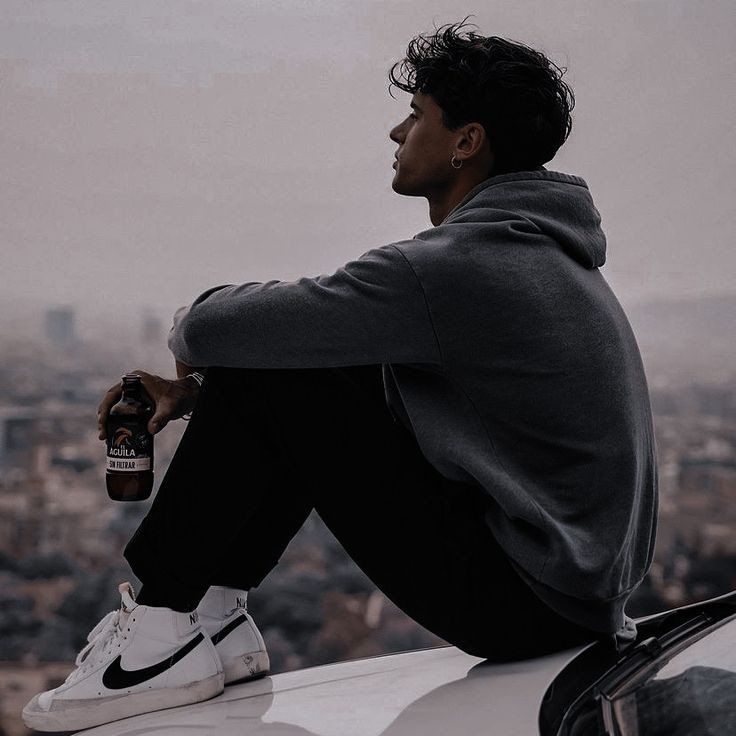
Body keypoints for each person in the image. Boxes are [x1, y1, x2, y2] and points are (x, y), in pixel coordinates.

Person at [23, 19, 659, 732]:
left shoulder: (456, 270)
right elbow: (380, 393)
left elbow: (215, 329)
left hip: (526, 605)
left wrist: (192, 336)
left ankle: (157, 636)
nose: (396, 133)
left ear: (465, 143)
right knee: (295, 362)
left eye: (416, 115)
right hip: (573, 602)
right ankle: (215, 619)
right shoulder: (545, 256)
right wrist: (202, 396)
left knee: (282, 359)